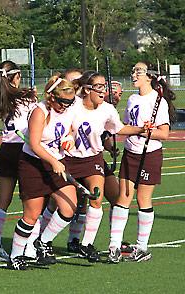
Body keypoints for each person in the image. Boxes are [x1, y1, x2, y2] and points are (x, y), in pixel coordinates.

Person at [63, 71, 147, 262]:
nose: (104, 91)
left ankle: (89, 244)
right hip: (70, 159)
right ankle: (48, 242)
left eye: (104, 86)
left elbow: (118, 129)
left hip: (94, 160)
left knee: (98, 197)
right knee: (63, 205)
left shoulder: (107, 109)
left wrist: (142, 129)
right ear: (86, 89)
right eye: (99, 87)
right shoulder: (72, 105)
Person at [8, 74, 78, 270]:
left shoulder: (69, 110)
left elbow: (70, 130)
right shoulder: (39, 112)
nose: (66, 106)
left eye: (69, 102)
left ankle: (43, 242)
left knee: (69, 206)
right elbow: (35, 144)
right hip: (34, 164)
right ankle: (15, 256)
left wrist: (69, 139)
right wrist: (53, 161)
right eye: (63, 102)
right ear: (52, 97)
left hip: (56, 161)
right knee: (31, 215)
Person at [107, 62, 176, 263]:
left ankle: (142, 247)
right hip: (131, 152)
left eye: (138, 71)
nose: (134, 73)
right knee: (123, 197)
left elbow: (163, 133)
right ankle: (114, 245)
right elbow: (127, 126)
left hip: (149, 154)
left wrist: (145, 131)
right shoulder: (132, 99)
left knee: (143, 200)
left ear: (150, 77)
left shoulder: (158, 101)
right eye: (134, 70)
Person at [0, 60, 37, 262]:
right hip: (24, 149)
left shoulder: (2, 95)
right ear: (15, 77)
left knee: (2, 200)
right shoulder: (27, 96)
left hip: (6, 149)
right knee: (30, 199)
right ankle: (29, 247)